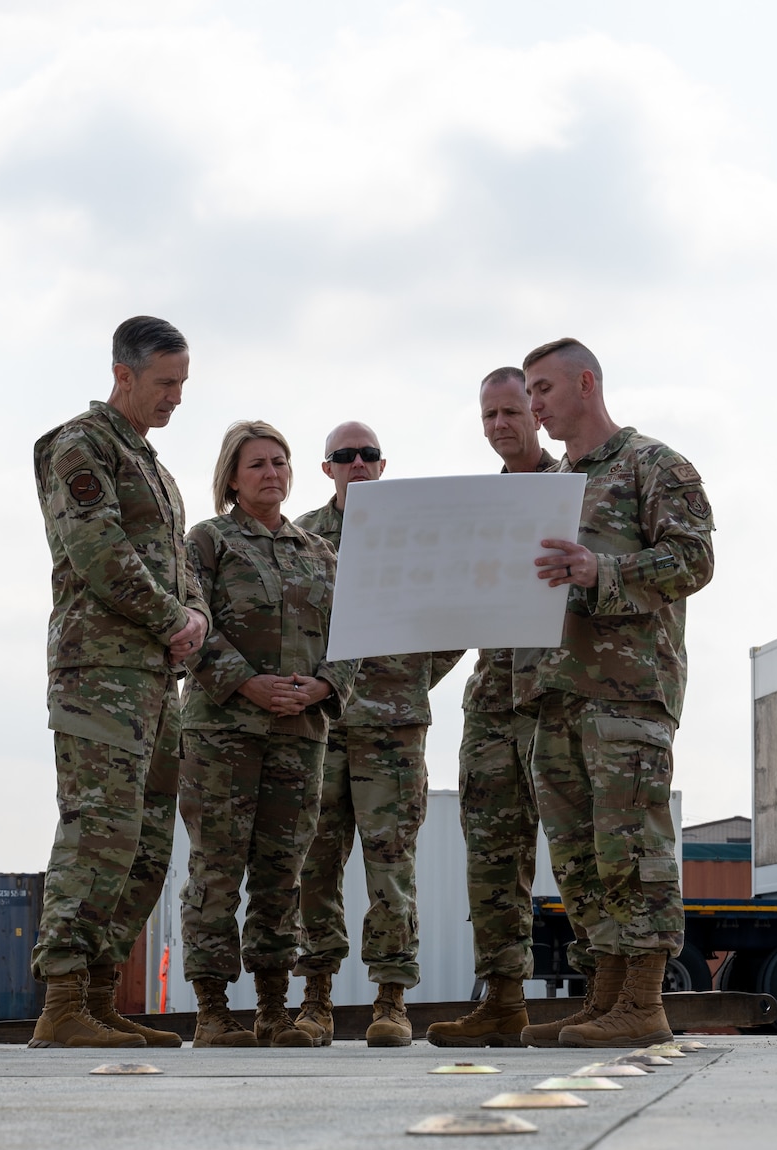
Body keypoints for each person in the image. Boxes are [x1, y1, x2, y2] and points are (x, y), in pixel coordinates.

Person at [514, 338, 716, 1048]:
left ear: (586, 383)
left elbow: (694, 558)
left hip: (626, 695)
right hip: (558, 694)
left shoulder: (653, 466)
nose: (532, 404)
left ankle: (642, 1001)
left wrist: (601, 569)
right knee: (578, 858)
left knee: (632, 849)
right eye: (528, 392)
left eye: (542, 388)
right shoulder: (553, 484)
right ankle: (604, 997)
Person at [28, 316, 209, 1050]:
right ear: (122, 374)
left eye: (183, 385)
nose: (175, 398)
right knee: (98, 833)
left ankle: (98, 998)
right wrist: (173, 617)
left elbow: (178, 564)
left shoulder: (156, 468)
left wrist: (193, 614)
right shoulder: (80, 444)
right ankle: (62, 1001)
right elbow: (96, 546)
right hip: (98, 674)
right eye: (165, 383)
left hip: (154, 682)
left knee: (144, 847)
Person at [179, 421, 359, 1047]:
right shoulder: (208, 542)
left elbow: (352, 635)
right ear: (232, 476)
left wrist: (325, 686)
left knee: (283, 872)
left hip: (299, 734)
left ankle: (273, 1008)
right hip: (223, 732)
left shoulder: (321, 553)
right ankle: (211, 1009)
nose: (272, 474)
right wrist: (245, 682)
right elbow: (188, 625)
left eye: (280, 462)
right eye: (257, 464)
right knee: (218, 869)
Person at [293, 423, 463, 1047]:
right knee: (315, 864)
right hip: (323, 723)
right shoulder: (303, 537)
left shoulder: (416, 535)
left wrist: (412, 678)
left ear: (382, 465)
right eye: (345, 456)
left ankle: (391, 1001)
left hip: (392, 727)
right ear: (327, 468)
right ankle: (315, 1000)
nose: (357, 463)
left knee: (391, 867)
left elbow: (454, 615)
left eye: (367, 455)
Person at [427, 368, 561, 1047]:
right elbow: (453, 605)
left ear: (537, 413)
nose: (502, 424)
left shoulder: (576, 492)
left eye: (512, 410)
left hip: (560, 697)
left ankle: (606, 997)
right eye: (489, 416)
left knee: (582, 854)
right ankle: (503, 1001)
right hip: (491, 701)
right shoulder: (475, 507)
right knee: (491, 858)